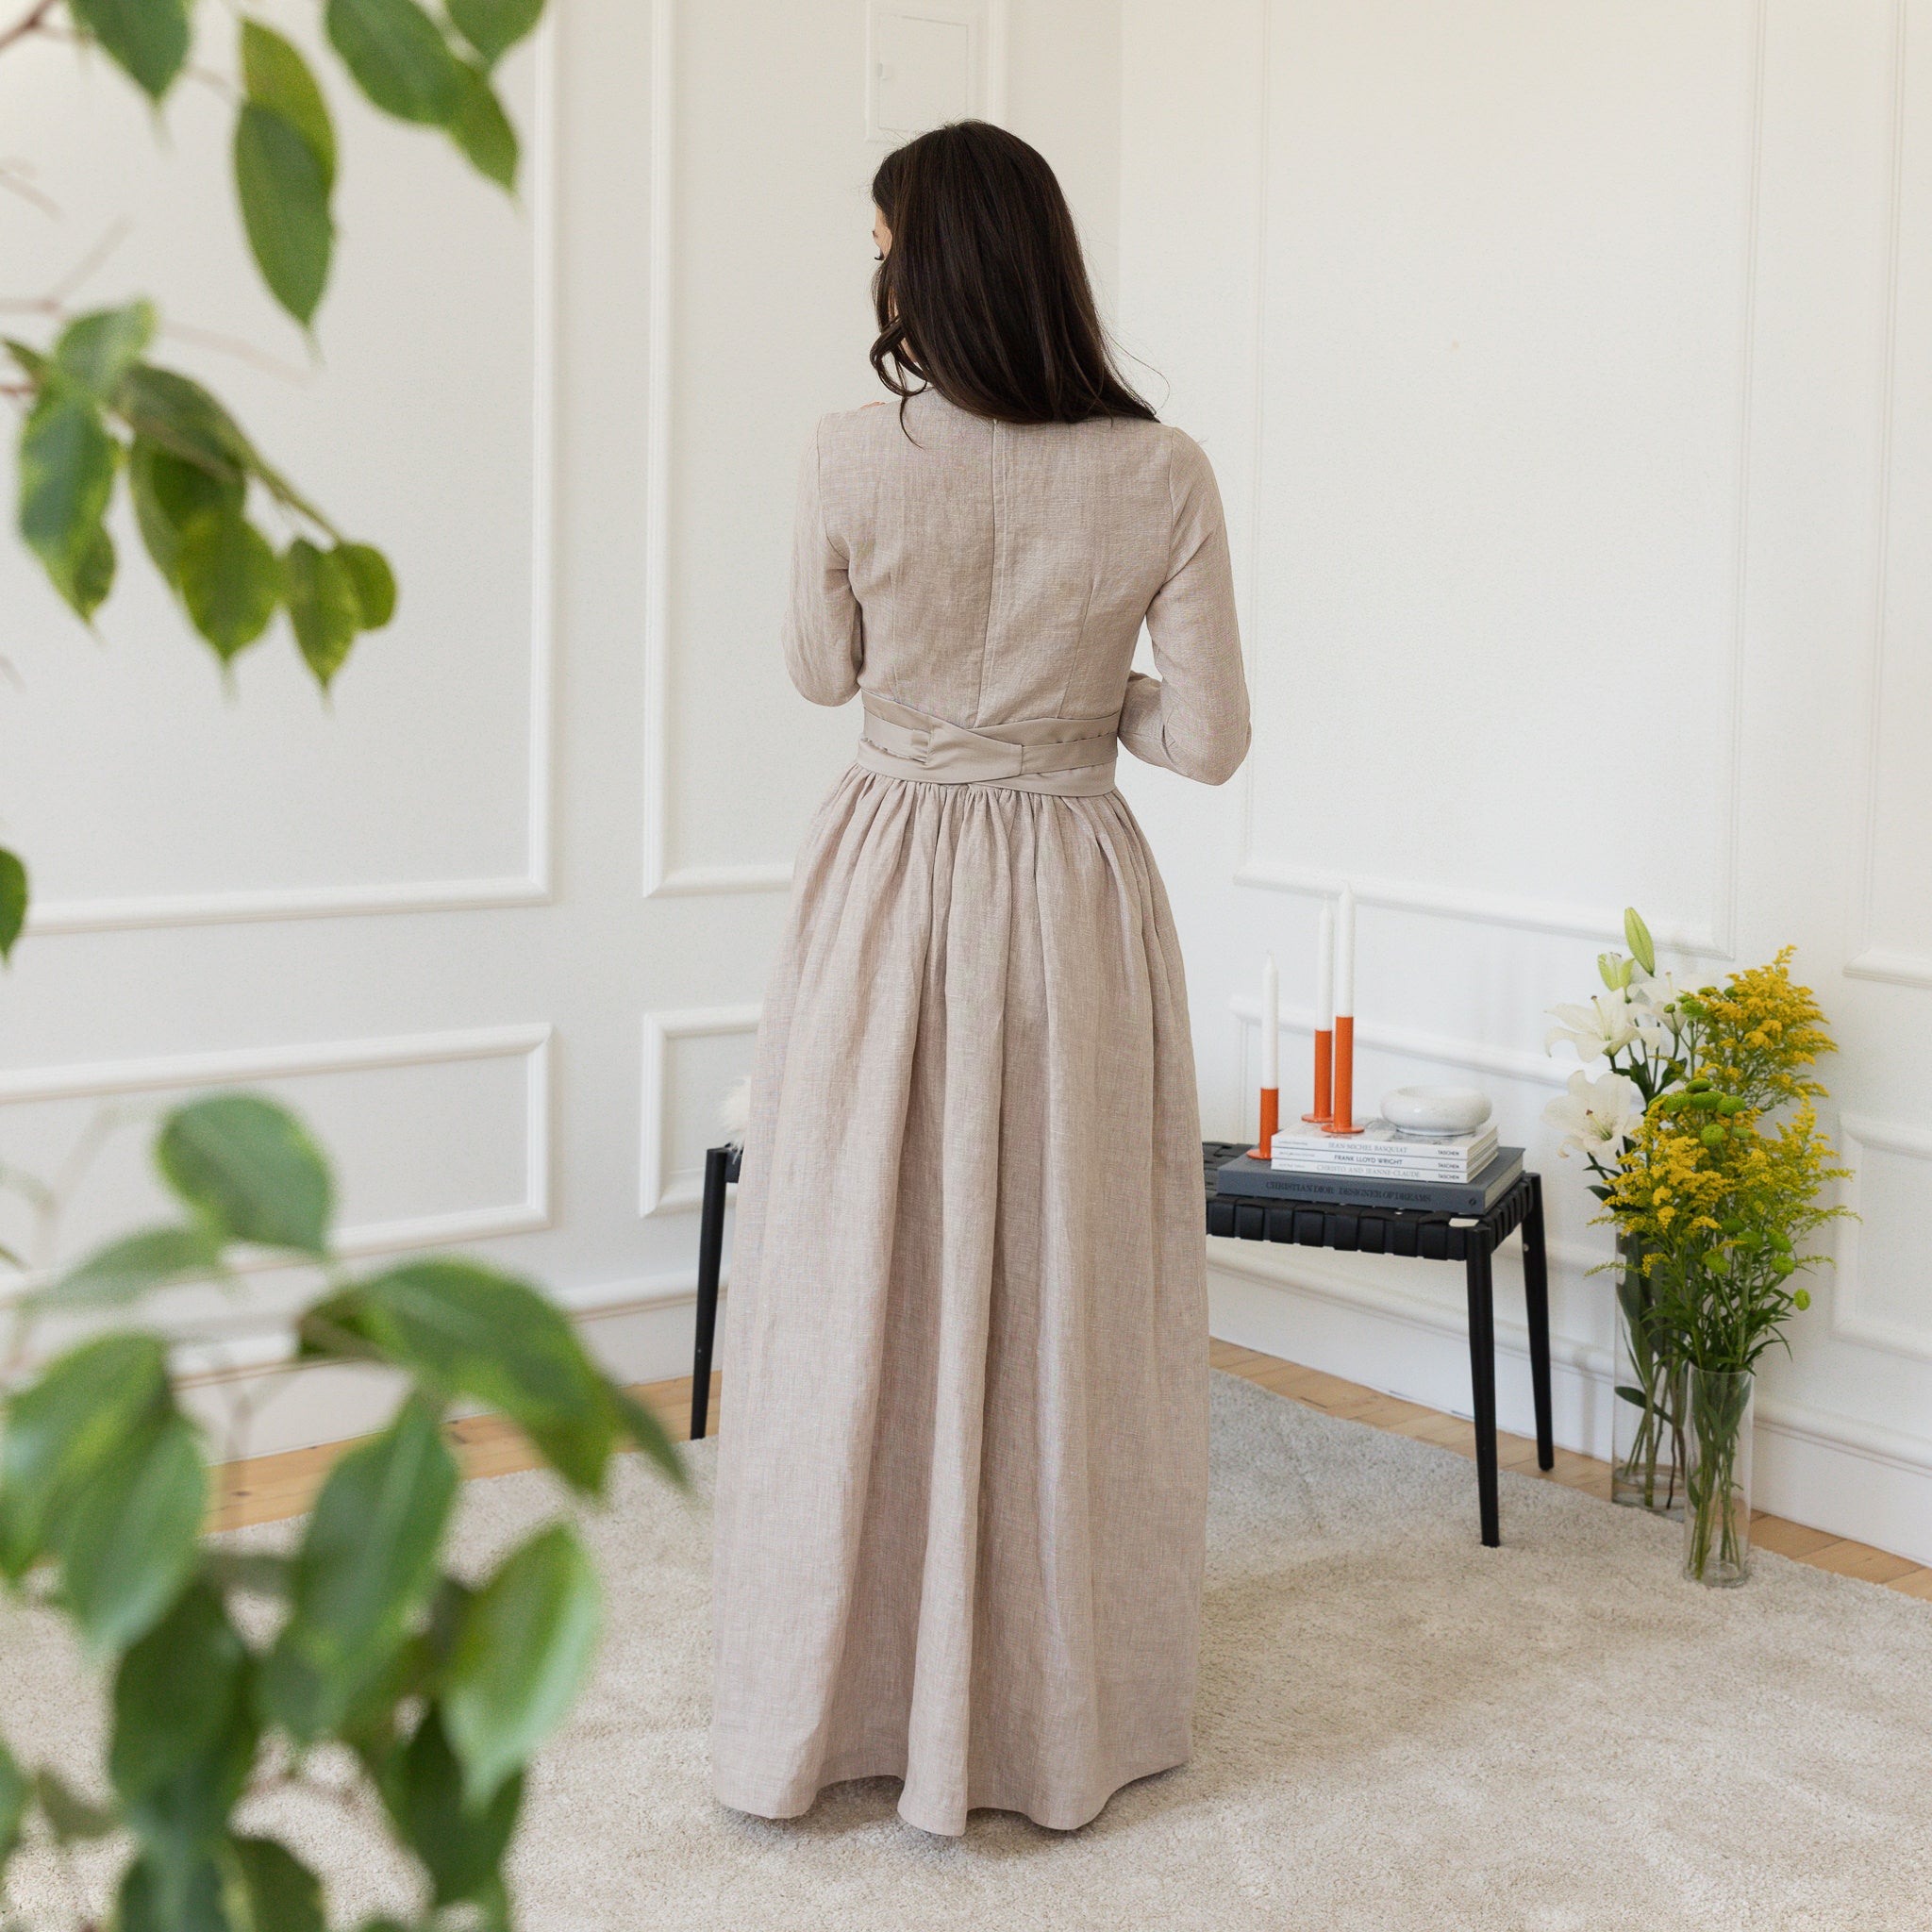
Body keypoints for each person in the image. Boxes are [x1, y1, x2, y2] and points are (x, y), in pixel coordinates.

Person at [710, 119, 1249, 1839]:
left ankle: (840, 1699)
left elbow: (820, 671)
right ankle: (1048, 1713)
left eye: (882, 242)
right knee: (1067, 1279)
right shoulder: (1162, 469)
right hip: (1073, 890)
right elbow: (1216, 741)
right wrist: (1085, 713)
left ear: (916, 261)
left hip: (888, 877)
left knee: (859, 1265)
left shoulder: (847, 455)